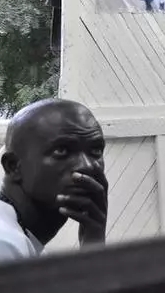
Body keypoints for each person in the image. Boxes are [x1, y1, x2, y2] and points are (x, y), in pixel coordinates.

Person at [0, 99, 108, 261]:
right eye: (62, 150)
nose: (88, 166)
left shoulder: (20, 235)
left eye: (96, 150)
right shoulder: (7, 244)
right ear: (13, 166)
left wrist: (93, 241)